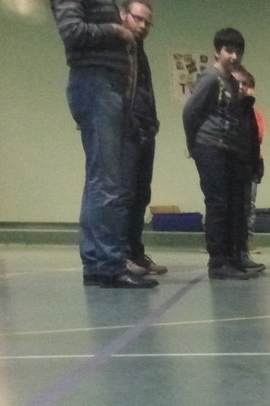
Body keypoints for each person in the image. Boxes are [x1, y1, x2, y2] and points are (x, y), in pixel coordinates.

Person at [50, 0, 157, 288]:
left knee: (100, 182)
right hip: (96, 86)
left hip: (107, 88)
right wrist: (116, 30)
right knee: (107, 183)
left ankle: (97, 264)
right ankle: (109, 265)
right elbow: (72, 32)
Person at [182, 27, 253, 280]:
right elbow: (190, 112)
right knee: (217, 203)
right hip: (209, 146)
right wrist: (193, 144)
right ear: (217, 52)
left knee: (232, 204)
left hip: (228, 149)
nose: (234, 56)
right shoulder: (210, 78)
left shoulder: (232, 82)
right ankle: (218, 261)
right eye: (228, 50)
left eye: (238, 52)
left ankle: (230, 257)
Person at [120, 0, 165, 277]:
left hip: (146, 129)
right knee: (125, 194)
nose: (143, 25)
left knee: (140, 194)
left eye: (148, 22)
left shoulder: (139, 49)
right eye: (138, 19)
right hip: (127, 129)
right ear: (123, 14)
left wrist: (152, 122)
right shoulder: (118, 46)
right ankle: (122, 255)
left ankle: (136, 252)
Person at [231, 67, 264, 273]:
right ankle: (227, 255)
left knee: (246, 208)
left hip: (248, 166)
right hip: (230, 166)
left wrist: (254, 166)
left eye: (247, 85)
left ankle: (243, 251)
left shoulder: (252, 112)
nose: (243, 87)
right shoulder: (226, 108)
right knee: (230, 210)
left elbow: (256, 139)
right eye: (239, 84)